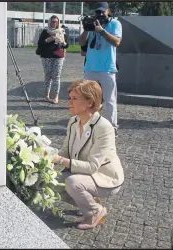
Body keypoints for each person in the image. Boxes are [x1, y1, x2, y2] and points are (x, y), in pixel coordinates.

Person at [52, 79, 124, 230]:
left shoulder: (104, 127)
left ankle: (95, 212)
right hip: (82, 172)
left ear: (90, 102)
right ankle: (91, 202)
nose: (69, 102)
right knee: (52, 183)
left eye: (75, 98)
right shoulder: (73, 121)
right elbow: (66, 149)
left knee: (73, 183)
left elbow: (92, 167)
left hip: (105, 177)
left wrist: (60, 160)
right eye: (69, 98)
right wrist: (49, 159)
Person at [78, 2, 122, 137]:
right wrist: (86, 28)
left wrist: (102, 31)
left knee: (109, 100)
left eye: (103, 12)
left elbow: (117, 42)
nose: (100, 14)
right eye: (98, 12)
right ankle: (88, 124)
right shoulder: (92, 23)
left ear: (108, 11)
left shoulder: (114, 23)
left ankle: (112, 127)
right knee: (88, 99)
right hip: (90, 68)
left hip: (107, 69)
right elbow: (81, 42)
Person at [37, 15, 69, 104]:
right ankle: (47, 95)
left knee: (56, 76)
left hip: (58, 56)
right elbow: (40, 44)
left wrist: (63, 43)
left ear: (58, 22)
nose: (54, 23)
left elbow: (67, 45)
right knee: (48, 76)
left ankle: (56, 96)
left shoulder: (62, 31)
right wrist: (48, 39)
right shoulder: (45, 31)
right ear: (50, 22)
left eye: (56, 22)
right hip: (46, 56)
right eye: (53, 21)